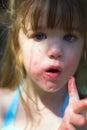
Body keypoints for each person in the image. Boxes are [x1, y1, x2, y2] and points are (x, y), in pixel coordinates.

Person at [0, 0, 87, 130]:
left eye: (69, 37)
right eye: (39, 36)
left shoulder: (82, 119)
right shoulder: (2, 105)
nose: (55, 51)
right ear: (17, 46)